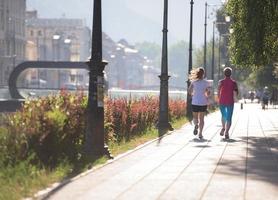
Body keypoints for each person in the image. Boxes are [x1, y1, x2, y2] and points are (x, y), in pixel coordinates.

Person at [188, 67, 210, 139]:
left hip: (195, 102)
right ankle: (200, 133)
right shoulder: (206, 83)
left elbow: (189, 91)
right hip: (203, 102)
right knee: (202, 119)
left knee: (195, 117)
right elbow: (208, 93)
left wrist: (192, 95)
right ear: (203, 74)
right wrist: (207, 95)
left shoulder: (194, 82)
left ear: (197, 73)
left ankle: (196, 125)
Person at [218, 67, 238, 139]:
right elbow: (235, 92)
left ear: (224, 73)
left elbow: (218, 90)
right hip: (230, 101)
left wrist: (218, 97)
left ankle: (223, 128)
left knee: (223, 115)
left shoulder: (221, 82)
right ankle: (226, 132)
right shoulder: (234, 82)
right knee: (229, 117)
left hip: (222, 101)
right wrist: (235, 98)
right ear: (231, 74)